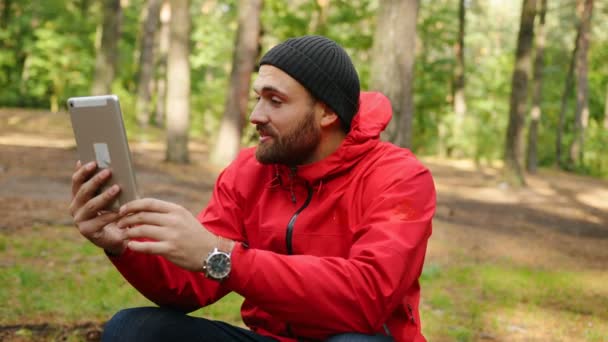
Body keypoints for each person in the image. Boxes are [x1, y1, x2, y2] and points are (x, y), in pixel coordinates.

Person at [69, 35, 436, 342]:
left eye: (275, 101)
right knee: (134, 330)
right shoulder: (250, 170)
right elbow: (190, 286)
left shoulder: (399, 177)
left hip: (359, 337)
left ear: (327, 113)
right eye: (258, 97)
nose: (257, 115)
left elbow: (366, 298)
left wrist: (225, 257)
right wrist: (123, 248)